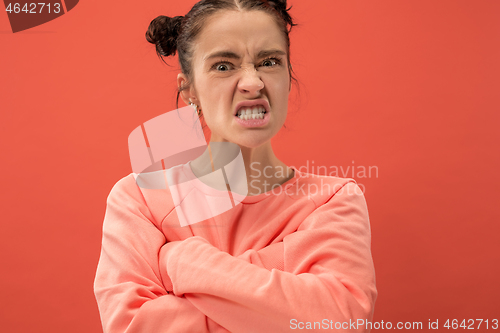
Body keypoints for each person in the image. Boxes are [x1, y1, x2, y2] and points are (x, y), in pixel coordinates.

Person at [93, 0, 377, 332]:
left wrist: (183, 263)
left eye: (269, 62)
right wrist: (279, 286)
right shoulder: (139, 199)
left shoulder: (333, 200)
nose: (253, 83)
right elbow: (133, 325)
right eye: (223, 66)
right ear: (189, 91)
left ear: (287, 76)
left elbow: (338, 319)